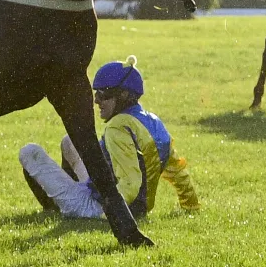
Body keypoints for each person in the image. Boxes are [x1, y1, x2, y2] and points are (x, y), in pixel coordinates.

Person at [18, 55, 200, 219]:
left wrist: (112, 216)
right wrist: (190, 204)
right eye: (96, 93)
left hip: (100, 207)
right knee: (69, 141)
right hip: (130, 204)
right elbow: (177, 170)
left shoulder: (117, 127)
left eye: (103, 94)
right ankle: (66, 199)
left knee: (30, 152)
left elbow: (130, 183)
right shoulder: (153, 121)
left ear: (124, 95)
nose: (96, 100)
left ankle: (56, 208)